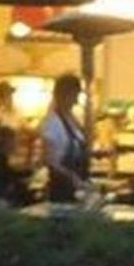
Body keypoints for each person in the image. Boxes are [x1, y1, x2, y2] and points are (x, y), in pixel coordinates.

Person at [42, 72, 90, 203]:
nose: (76, 101)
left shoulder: (73, 120)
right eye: (75, 95)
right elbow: (49, 160)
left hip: (78, 188)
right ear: (64, 95)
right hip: (61, 190)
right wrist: (71, 177)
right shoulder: (52, 123)